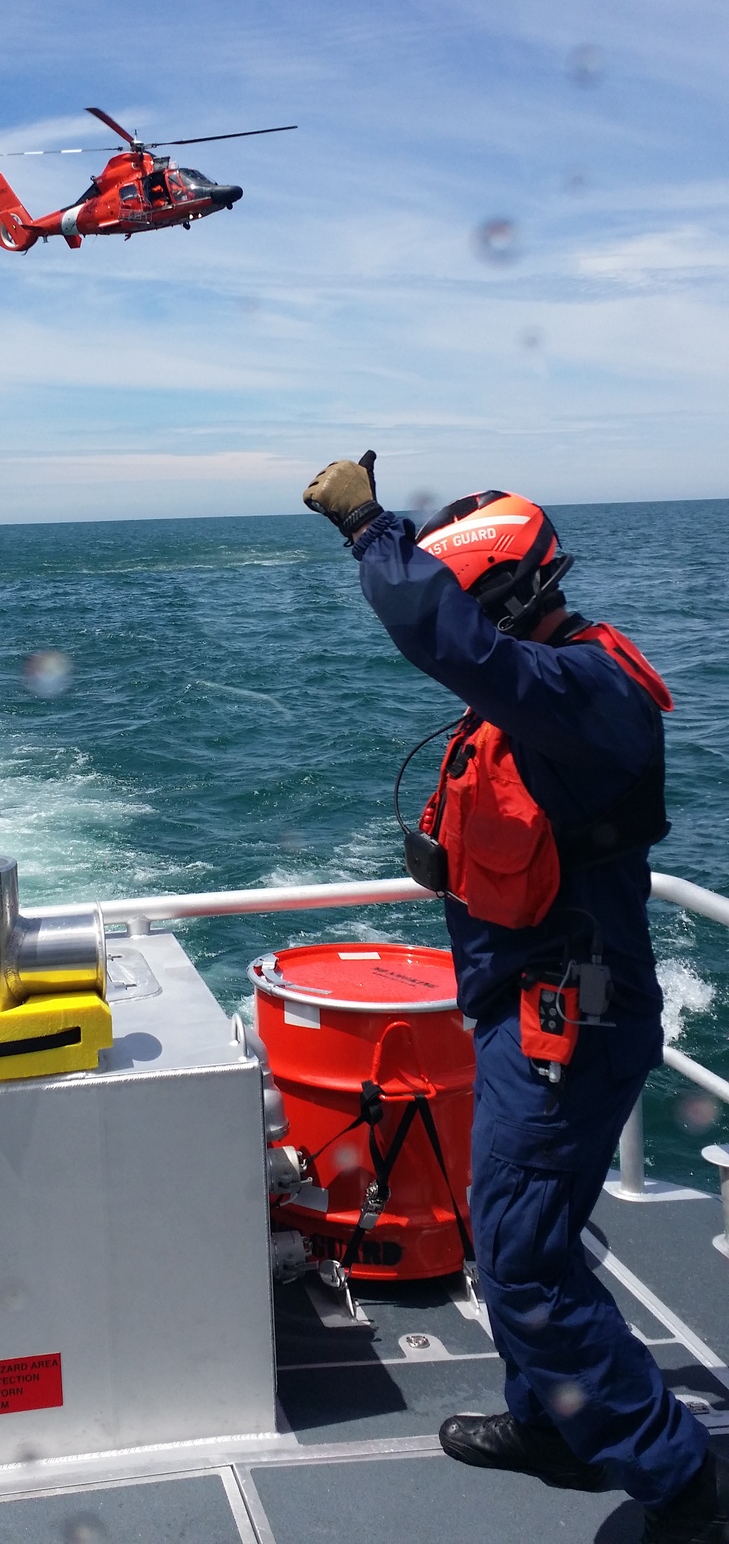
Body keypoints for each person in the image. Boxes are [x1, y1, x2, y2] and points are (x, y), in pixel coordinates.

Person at [302, 452, 729, 1544]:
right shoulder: (550, 681)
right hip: (525, 1003)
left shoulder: (579, 689)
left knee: (523, 1252)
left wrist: (368, 531)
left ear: (499, 597)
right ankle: (555, 1420)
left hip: (569, 1020)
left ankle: (678, 1476)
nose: (461, 633)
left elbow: (437, 634)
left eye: (469, 603)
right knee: (521, 1230)